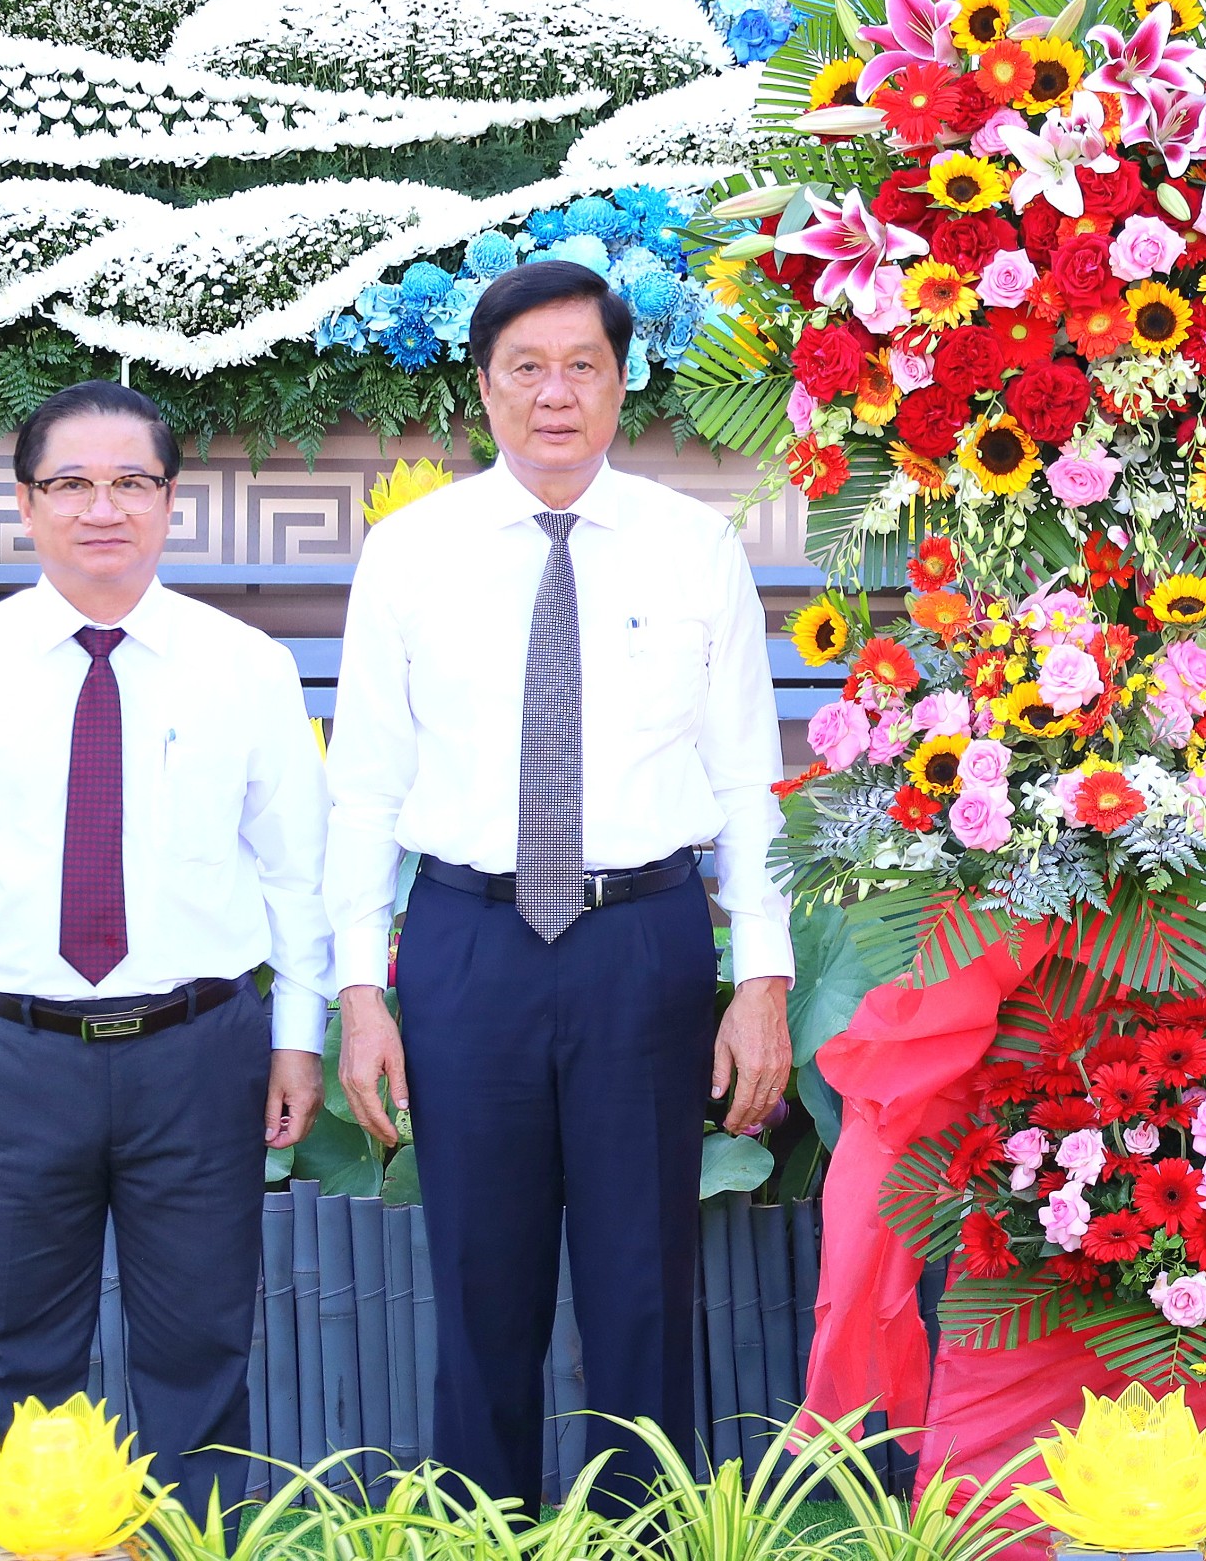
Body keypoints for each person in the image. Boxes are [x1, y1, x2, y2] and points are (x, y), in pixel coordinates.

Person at [325, 259, 793, 1515]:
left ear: (623, 381)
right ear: (482, 386)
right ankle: (482, 1533)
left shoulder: (693, 547)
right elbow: (363, 786)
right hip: (467, 940)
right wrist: (361, 989)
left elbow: (750, 778)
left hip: (639, 940)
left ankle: (646, 1534)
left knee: (644, 1283)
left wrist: (761, 978)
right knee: (482, 1280)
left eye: (583, 364)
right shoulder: (409, 551)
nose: (554, 393)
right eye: (525, 367)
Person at [0, 381, 330, 1511]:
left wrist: (299, 1036)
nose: (101, 507)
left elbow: (293, 867)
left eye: (132, 482)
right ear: (26, 502)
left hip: (198, 1046)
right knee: (17, 1360)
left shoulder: (245, 666)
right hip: (12, 1055)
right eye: (70, 482)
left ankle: (197, 1538)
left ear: (172, 503)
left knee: (202, 1350)